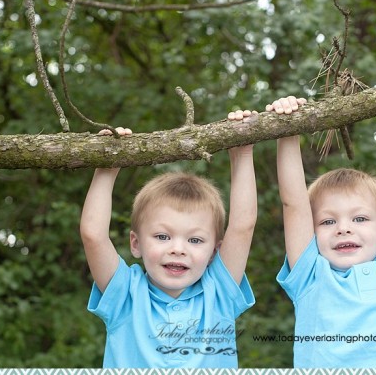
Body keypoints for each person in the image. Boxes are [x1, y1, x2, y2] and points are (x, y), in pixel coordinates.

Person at [268, 71, 376, 368]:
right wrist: (287, 131)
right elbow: (293, 206)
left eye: (360, 218)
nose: (343, 228)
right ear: (311, 235)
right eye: (327, 222)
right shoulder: (310, 275)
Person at [79, 110, 259, 368]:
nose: (178, 249)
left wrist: (242, 153)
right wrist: (107, 169)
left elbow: (242, 226)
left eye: (195, 240)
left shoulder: (219, 292)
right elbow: (93, 235)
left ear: (214, 252)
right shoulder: (125, 294)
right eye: (163, 236)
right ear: (136, 244)